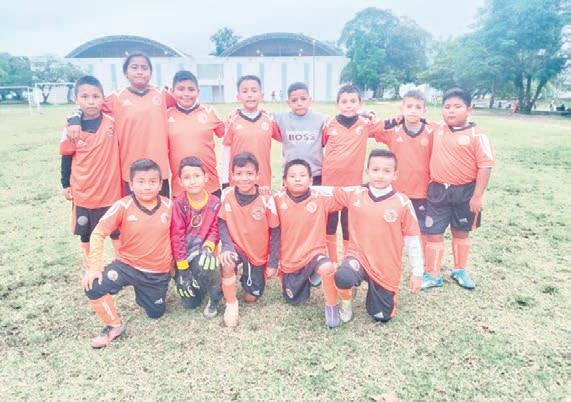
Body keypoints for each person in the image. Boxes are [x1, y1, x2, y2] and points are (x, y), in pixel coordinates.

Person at [82, 159, 173, 348]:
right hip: (127, 266)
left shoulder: (170, 206)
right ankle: (114, 326)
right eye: (140, 181)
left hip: (156, 273)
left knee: (156, 313)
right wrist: (94, 267)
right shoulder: (123, 206)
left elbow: (179, 238)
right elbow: (98, 233)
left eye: (152, 181)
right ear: (131, 184)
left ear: (160, 184)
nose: (146, 187)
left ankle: (144, 294)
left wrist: (175, 267)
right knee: (93, 286)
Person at [333, 149, 424, 323]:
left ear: (395, 175)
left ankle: (380, 297)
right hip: (358, 257)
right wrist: (294, 187)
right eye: (375, 170)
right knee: (343, 276)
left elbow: (413, 240)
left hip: (385, 267)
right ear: (367, 171)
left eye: (386, 171)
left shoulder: (402, 203)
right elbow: (326, 192)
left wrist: (417, 273)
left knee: (381, 317)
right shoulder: (355, 193)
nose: (380, 175)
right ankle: (346, 303)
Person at [67, 52, 174, 197]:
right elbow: (90, 105)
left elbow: (182, 104)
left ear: (150, 72)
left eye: (144, 68)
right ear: (125, 72)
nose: (140, 71)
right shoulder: (115, 97)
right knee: (131, 209)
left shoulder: (161, 94)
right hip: (129, 167)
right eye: (134, 67)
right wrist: (74, 119)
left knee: (161, 209)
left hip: (159, 166)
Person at [422, 88, 494, 290]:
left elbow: (485, 166)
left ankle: (460, 270)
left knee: (461, 232)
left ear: (469, 109)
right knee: (433, 233)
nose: (451, 111)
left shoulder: (478, 135)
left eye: (457, 106)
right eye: (447, 107)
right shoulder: (437, 128)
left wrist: (477, 196)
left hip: (465, 192)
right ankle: (432, 274)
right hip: (438, 190)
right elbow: (414, 117)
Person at [60, 75, 122, 269]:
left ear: (103, 98)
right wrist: (65, 184)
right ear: (76, 99)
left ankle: (123, 264)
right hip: (83, 192)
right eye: (84, 97)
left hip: (110, 192)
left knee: (116, 231)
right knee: (86, 233)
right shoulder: (71, 129)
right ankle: (92, 267)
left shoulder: (112, 122)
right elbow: (66, 157)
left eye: (96, 96)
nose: (91, 101)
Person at [274, 159, 342, 329]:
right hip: (290, 260)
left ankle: (332, 306)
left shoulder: (320, 198)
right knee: (294, 300)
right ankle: (310, 277)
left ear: (311, 180)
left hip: (314, 253)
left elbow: (346, 196)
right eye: (292, 176)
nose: (298, 179)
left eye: (302, 175)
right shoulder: (276, 200)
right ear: (284, 181)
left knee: (327, 268)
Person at [322, 84, 383, 262]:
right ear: (337, 104)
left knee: (349, 224)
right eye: (344, 102)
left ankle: (348, 260)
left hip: (353, 185)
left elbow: (384, 124)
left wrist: (367, 114)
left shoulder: (365, 124)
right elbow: (321, 142)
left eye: (352, 101)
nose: (348, 105)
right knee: (330, 223)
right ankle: (332, 260)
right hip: (330, 185)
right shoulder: (329, 124)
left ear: (359, 103)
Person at [218, 152, 280, 327]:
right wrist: (227, 246)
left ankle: (248, 277)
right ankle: (231, 304)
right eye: (239, 173)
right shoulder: (227, 195)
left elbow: (276, 231)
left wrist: (273, 262)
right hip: (236, 247)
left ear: (257, 175)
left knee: (250, 298)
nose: (244, 178)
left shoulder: (266, 199)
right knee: (227, 261)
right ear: (232, 175)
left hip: (257, 255)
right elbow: (222, 222)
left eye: (249, 173)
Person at [375, 89, 434, 261]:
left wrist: (427, 121)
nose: (413, 110)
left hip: (422, 192)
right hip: (396, 192)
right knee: (393, 227)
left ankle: (421, 263)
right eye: (409, 106)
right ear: (402, 109)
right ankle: (392, 260)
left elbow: (444, 129)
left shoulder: (431, 132)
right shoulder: (394, 131)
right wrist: (392, 120)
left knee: (420, 230)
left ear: (424, 111)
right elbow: (372, 130)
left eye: (418, 107)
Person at [170, 156, 223, 318]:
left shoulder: (215, 202)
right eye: (187, 177)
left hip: (202, 252)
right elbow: (177, 236)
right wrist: (182, 268)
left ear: (205, 178)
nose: (192, 181)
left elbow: (215, 229)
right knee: (190, 304)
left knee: (208, 263)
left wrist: (208, 247)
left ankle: (215, 298)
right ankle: (196, 284)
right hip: (184, 257)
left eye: (197, 176)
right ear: (180, 181)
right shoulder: (179, 204)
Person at [167, 70, 225, 198]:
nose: (186, 93)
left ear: (198, 91)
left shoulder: (209, 112)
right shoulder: (166, 115)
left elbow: (228, 133)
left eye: (191, 89)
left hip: (210, 185)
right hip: (180, 187)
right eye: (181, 89)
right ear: (172, 91)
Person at [221, 75, 281, 192]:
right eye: (245, 91)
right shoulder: (232, 119)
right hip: (239, 180)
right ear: (238, 97)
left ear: (261, 95)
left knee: (262, 204)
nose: (250, 95)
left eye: (254, 90)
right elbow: (226, 150)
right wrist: (224, 180)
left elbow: (284, 138)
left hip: (263, 180)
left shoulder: (269, 119)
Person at [273, 82, 327, 185]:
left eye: (303, 99)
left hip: (315, 173)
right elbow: (261, 116)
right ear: (288, 103)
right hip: (291, 174)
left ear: (310, 100)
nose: (299, 103)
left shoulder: (321, 119)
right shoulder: (281, 118)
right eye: (294, 100)